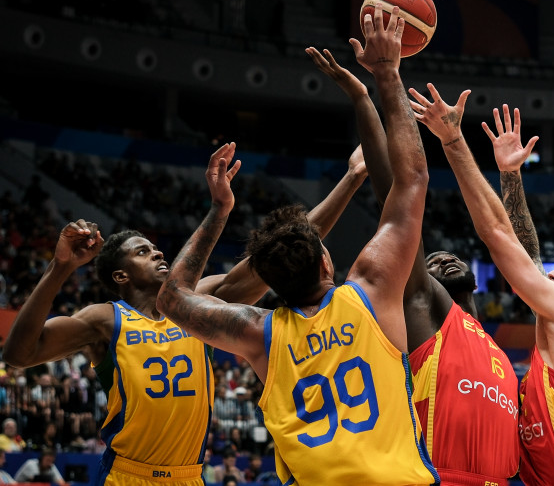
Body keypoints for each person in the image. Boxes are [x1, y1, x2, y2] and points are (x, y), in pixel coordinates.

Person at [156, 4, 438, 486]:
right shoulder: (369, 290)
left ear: (268, 282)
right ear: (327, 260)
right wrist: (387, 77)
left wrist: (218, 212)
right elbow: (412, 181)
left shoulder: (257, 332)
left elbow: (172, 296)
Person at [1, 144, 367, 486]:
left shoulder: (200, 302)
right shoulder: (104, 319)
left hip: (191, 475)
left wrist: (351, 177)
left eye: (156, 248)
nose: (158, 254)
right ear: (121, 276)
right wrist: (60, 267)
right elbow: (17, 355)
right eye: (143, 252)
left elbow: (286, 247)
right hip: (126, 475)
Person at [306, 46, 521, 485]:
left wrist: (510, 176)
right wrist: (373, 93)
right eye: (431, 262)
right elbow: (399, 196)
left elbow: (521, 249)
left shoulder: (488, 343)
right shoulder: (424, 313)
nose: (441, 256)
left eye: (447, 257)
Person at [411, 90, 554, 485]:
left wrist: (453, 140)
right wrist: (511, 175)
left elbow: (497, 236)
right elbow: (527, 258)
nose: (552, 275)